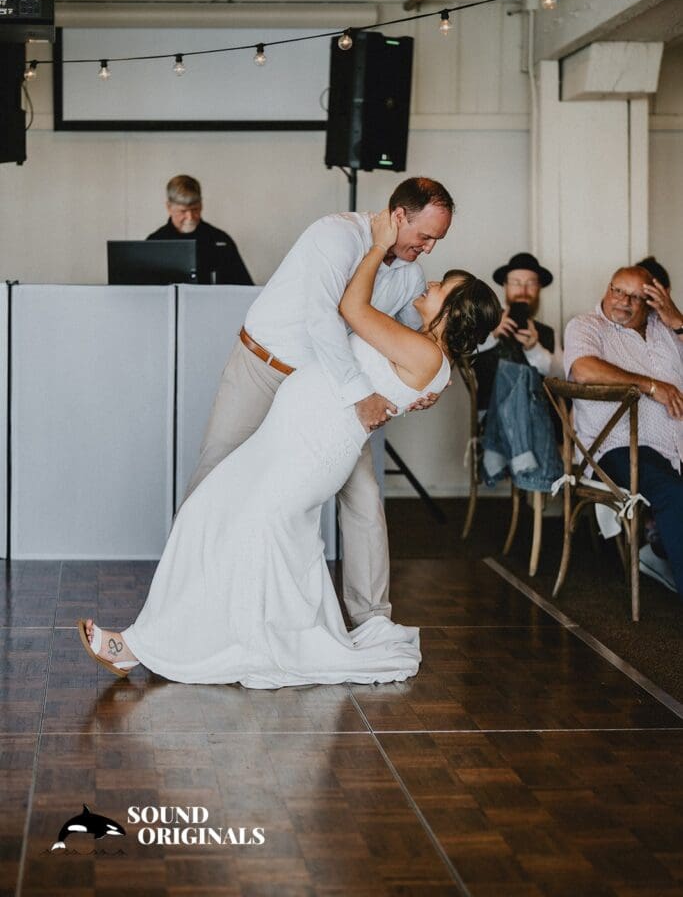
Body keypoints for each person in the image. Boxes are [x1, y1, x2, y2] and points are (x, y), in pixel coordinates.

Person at [77, 210, 502, 686]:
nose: (433, 276)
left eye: (444, 285)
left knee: (257, 531)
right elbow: (379, 338)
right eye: (428, 242)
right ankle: (171, 631)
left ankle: (145, 646)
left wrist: (380, 248)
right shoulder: (397, 311)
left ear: (455, 311)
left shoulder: (425, 351)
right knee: (207, 513)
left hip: (310, 451)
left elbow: (355, 311)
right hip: (285, 435)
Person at [182, 176, 454, 627]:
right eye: (425, 236)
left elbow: (413, 339)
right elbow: (321, 320)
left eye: (436, 241)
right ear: (399, 215)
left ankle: (372, 619)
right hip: (264, 368)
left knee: (364, 496)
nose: (428, 249)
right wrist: (362, 396)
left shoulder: (410, 275)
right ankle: (183, 603)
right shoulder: (335, 234)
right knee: (214, 474)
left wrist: (431, 384)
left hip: (324, 390)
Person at [565, 265, 683, 596]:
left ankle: (658, 551)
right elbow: (583, 370)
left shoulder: (665, 330)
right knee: (675, 494)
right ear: (607, 287)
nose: (622, 301)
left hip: (675, 446)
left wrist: (677, 320)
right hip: (617, 448)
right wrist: (650, 385)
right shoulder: (586, 326)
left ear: (652, 301)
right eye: (618, 290)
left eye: (635, 297)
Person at [475, 252, 564, 412]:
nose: (523, 290)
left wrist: (535, 349)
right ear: (505, 285)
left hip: (538, 418)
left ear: (539, 288)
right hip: (494, 419)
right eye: (516, 283)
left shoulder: (548, 332)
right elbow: (460, 356)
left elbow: (562, 376)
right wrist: (492, 335)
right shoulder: (483, 322)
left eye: (531, 283)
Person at [147, 174, 253, 285]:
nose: (190, 217)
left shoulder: (220, 241)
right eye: (183, 211)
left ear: (201, 205)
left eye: (195, 209)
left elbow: (244, 288)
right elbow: (143, 295)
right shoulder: (154, 243)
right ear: (169, 207)